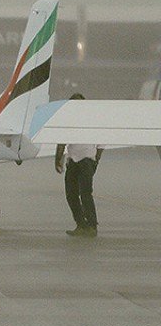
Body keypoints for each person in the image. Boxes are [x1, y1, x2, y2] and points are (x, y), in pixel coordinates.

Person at [54, 93, 103, 238]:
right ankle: (81, 224)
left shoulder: (93, 120)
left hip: (87, 160)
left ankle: (92, 226)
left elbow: (102, 141)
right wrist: (58, 160)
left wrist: (96, 160)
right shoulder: (68, 120)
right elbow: (62, 141)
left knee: (86, 194)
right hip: (73, 160)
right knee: (71, 194)